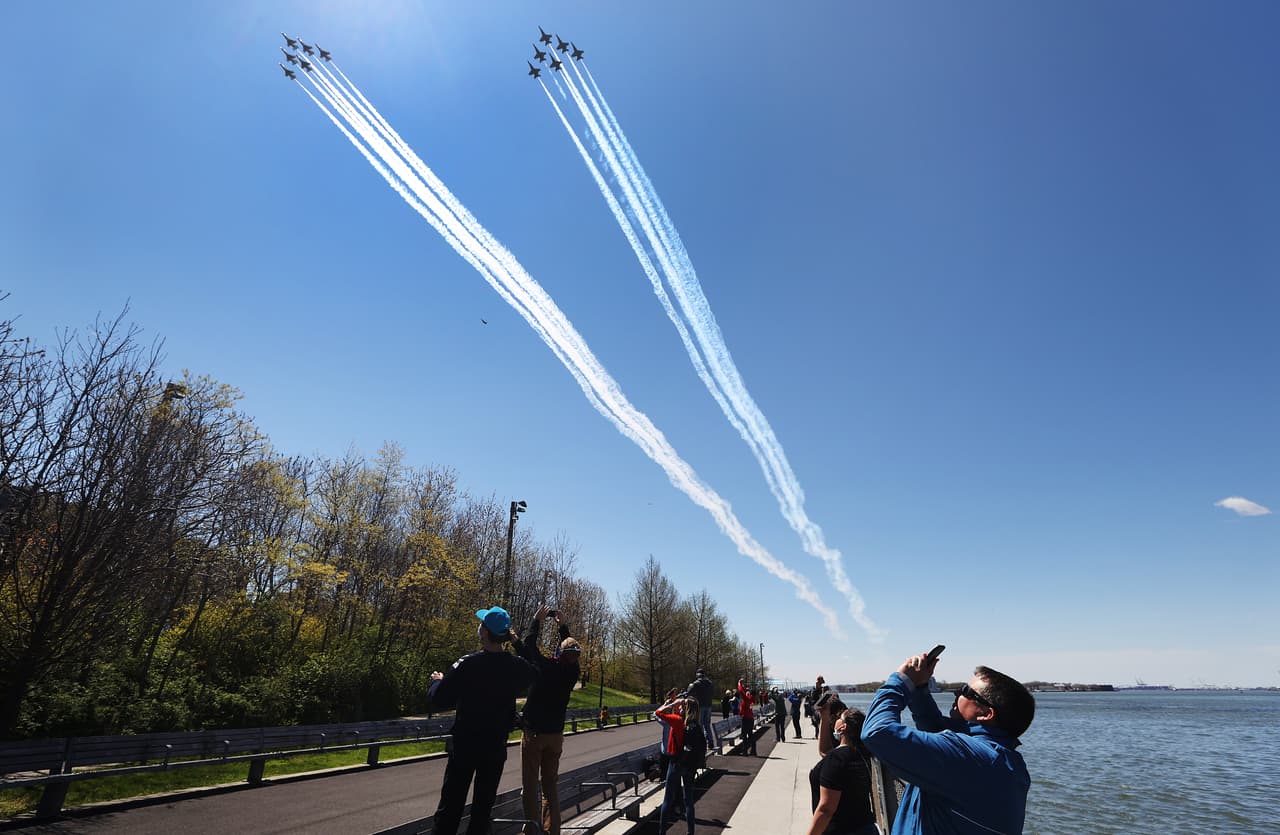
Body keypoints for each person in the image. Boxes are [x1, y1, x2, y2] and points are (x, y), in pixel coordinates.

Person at [861, 653, 1035, 835]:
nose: (956, 693)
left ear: (986, 713)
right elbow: (937, 731)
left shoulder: (967, 756)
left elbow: (877, 732)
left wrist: (901, 681)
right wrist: (919, 688)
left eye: (965, 691)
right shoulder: (1004, 761)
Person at [428, 606, 537, 835]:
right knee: (482, 810)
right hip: (495, 747)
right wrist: (517, 643)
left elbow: (439, 698)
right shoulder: (516, 667)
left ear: (485, 632)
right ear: (505, 636)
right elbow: (536, 670)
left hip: (465, 745)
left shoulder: (467, 664)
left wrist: (437, 681)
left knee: (450, 807)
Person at [511, 604, 580, 835]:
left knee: (530, 787)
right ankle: (553, 831)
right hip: (556, 737)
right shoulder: (572, 673)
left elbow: (529, 647)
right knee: (550, 786)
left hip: (535, 735)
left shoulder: (544, 667)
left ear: (559, 654)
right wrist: (563, 628)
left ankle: (531, 830)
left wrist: (536, 621)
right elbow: (570, 650)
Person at [807, 701, 877, 835]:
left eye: (839, 717)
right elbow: (825, 751)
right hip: (864, 827)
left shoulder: (836, 758)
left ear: (843, 727)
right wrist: (824, 717)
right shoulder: (861, 754)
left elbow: (826, 809)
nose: (836, 718)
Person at [654, 694, 704, 835]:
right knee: (688, 800)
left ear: (684, 708)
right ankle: (690, 832)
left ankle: (662, 832)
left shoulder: (677, 721)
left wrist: (672, 704)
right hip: (690, 765)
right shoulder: (696, 726)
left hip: (676, 764)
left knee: (668, 799)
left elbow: (658, 713)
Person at [687, 667, 720, 750]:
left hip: (700, 706)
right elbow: (712, 692)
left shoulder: (696, 683)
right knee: (707, 725)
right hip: (708, 706)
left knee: (700, 725)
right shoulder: (709, 683)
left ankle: (701, 743)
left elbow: (689, 692)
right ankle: (711, 742)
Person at [736, 677, 757, 756]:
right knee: (750, 734)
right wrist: (744, 687)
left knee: (744, 735)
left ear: (750, 694)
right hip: (750, 718)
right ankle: (753, 750)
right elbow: (744, 692)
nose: (747, 692)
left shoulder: (747, 699)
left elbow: (741, 692)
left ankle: (745, 751)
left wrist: (739, 683)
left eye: (748, 692)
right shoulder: (752, 699)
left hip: (746, 718)